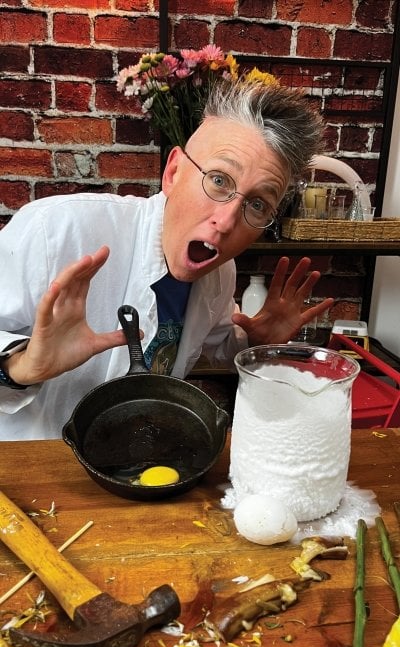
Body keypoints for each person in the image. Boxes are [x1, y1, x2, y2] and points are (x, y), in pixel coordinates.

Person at [0, 79, 333, 440]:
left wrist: (256, 343)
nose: (225, 222)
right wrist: (19, 366)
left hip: (136, 463)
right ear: (173, 172)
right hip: (32, 474)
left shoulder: (220, 272)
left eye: (256, 204)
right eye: (219, 180)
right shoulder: (56, 229)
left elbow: (215, 340)